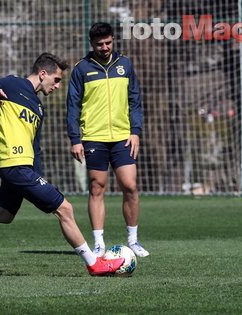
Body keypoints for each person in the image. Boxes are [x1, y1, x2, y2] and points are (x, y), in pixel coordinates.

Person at [0, 52, 124, 276]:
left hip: (23, 167)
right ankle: (94, 263)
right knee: (65, 209)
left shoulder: (38, 107)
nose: (57, 86)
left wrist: (39, 176)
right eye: (56, 80)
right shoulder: (12, 84)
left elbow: (35, 148)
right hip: (14, 164)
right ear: (43, 73)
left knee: (5, 215)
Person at [66, 23, 149, 258]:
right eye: (100, 44)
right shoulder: (81, 69)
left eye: (108, 42)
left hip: (123, 136)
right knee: (96, 187)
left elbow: (135, 100)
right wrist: (75, 139)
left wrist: (135, 131)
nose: (105, 47)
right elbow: (72, 106)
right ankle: (99, 242)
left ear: (113, 40)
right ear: (92, 44)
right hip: (93, 137)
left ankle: (133, 241)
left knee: (130, 186)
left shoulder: (125, 64)